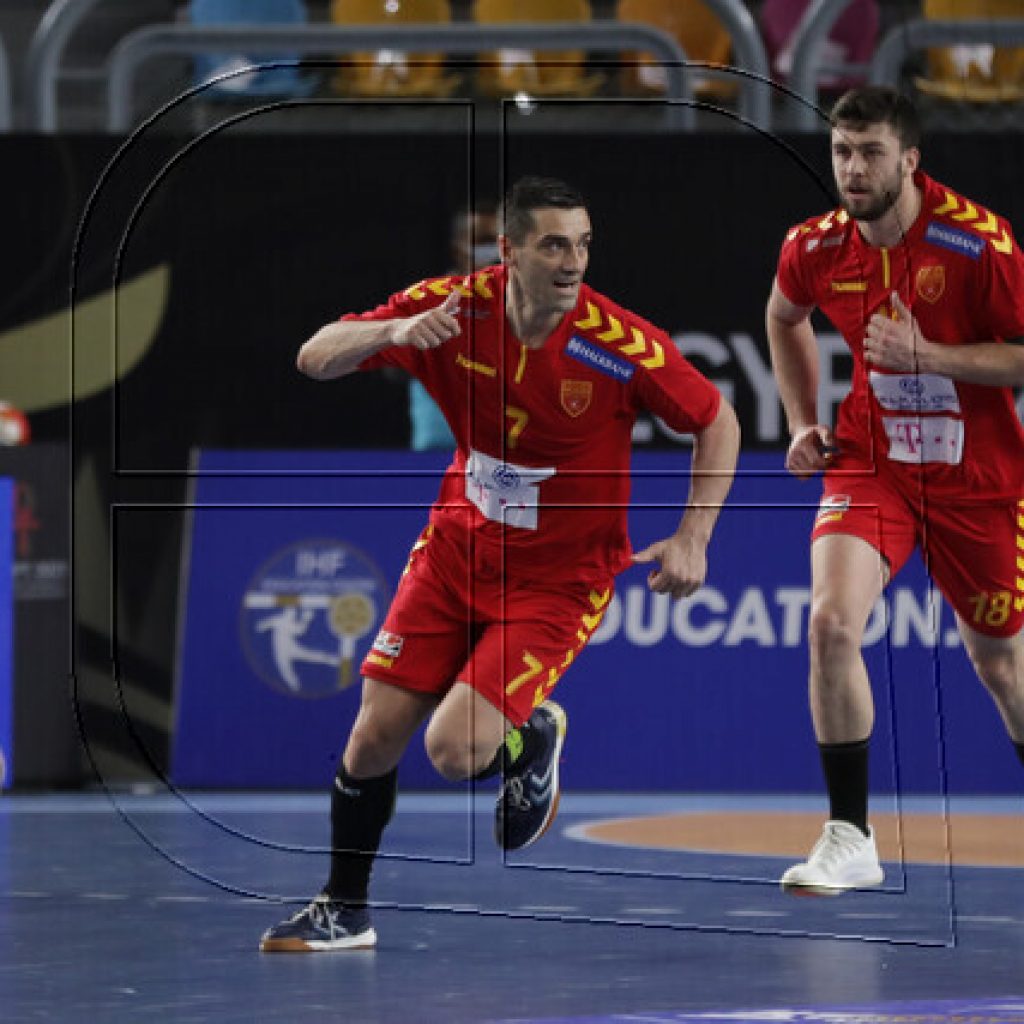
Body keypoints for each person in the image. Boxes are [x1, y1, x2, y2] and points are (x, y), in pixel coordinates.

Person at [261, 176, 740, 951]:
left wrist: (694, 537)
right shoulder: (451, 311)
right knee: (371, 738)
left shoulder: (617, 344)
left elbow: (716, 421)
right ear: (508, 249)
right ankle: (343, 910)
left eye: (583, 244)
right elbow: (314, 358)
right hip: (455, 552)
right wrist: (397, 330)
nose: (573, 261)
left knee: (451, 751)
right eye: (554, 244)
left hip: (559, 580)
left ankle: (530, 737)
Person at [766, 86, 1024, 896]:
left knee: (1003, 667)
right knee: (830, 624)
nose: (852, 167)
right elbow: (783, 317)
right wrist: (802, 421)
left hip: (975, 478)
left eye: (870, 151)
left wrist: (930, 356)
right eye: (842, 150)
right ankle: (851, 836)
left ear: (909, 160)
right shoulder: (814, 246)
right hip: (871, 465)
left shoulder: (979, 244)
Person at [408, 203, 500, 451]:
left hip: (501, 451)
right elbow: (390, 365)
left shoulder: (528, 305)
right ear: (458, 247)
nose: (495, 249)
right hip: (438, 448)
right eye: (485, 240)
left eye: (502, 240)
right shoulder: (424, 300)